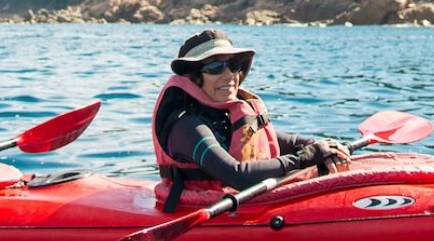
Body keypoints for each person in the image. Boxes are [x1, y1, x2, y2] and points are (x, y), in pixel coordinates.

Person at [150, 29, 351, 211]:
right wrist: (303, 158)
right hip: (195, 210)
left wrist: (320, 147)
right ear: (193, 77)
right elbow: (238, 175)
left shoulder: (223, 115)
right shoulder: (186, 127)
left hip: (232, 204)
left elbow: (283, 141)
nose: (229, 75)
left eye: (233, 65)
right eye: (215, 67)